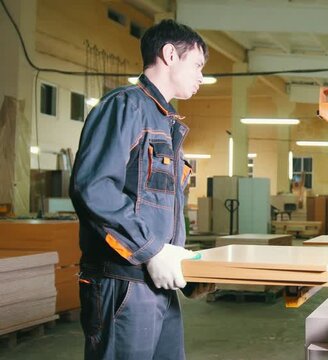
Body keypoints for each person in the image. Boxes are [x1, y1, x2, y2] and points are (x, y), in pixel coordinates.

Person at [70, 19, 210, 359]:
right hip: (123, 284)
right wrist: (152, 250)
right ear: (169, 55)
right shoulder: (126, 106)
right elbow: (94, 189)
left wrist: (180, 260)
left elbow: (154, 206)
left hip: (158, 282)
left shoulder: (165, 122)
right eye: (197, 65)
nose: (201, 77)